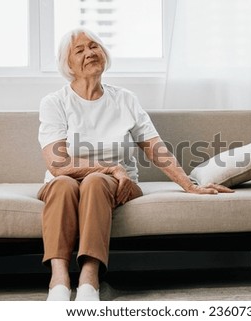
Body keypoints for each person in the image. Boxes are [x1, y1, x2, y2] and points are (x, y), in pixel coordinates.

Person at [37, 27, 233, 301]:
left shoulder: (125, 99)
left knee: (94, 182)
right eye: (79, 50)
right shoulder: (55, 102)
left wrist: (189, 185)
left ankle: (89, 278)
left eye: (94, 46)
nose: (90, 53)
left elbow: (155, 148)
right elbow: (58, 163)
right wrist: (109, 167)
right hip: (72, 179)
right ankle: (58, 280)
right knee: (62, 185)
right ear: (66, 64)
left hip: (116, 184)